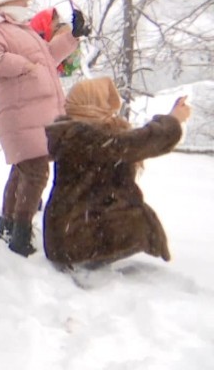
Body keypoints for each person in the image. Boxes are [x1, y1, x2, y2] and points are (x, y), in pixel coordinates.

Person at [0, 0, 82, 256]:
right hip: (21, 113)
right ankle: (21, 233)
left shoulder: (19, 30)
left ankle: (8, 224)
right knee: (35, 173)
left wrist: (72, 36)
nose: (28, 4)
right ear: (10, 2)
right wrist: (26, 66)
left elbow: (46, 57)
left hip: (29, 113)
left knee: (24, 169)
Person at [43, 78, 190, 268]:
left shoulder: (82, 135)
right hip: (77, 239)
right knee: (141, 225)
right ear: (94, 104)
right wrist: (173, 120)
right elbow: (133, 144)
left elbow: (123, 142)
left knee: (141, 219)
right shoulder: (81, 137)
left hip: (69, 234)